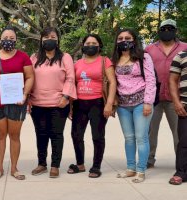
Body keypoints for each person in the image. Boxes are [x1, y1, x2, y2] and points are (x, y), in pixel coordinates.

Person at [0, 27, 34, 180]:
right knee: (0, 135)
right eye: (5, 37)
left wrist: (25, 94)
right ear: (0, 40)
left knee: (14, 136)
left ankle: (14, 168)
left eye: (12, 38)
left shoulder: (23, 57)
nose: (8, 40)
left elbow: (30, 77)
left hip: (17, 102)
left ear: (16, 40)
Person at [29, 27, 76, 178]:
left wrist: (66, 96)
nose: (49, 39)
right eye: (46, 37)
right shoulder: (34, 57)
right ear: (41, 40)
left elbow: (70, 78)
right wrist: (28, 98)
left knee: (56, 135)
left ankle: (55, 165)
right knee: (41, 134)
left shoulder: (65, 57)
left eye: (53, 36)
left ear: (57, 40)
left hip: (59, 103)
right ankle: (41, 163)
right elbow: (28, 78)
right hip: (37, 103)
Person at [67, 34, 117, 178]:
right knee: (76, 135)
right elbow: (73, 84)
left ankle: (96, 166)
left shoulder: (104, 61)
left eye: (93, 43)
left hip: (98, 103)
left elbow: (112, 82)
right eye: (87, 43)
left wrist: (109, 103)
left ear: (99, 45)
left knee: (97, 136)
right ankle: (80, 164)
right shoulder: (77, 64)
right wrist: (70, 105)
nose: (90, 45)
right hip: (79, 103)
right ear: (83, 45)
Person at [113, 28, 156, 183]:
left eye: (128, 38)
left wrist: (148, 102)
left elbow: (151, 80)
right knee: (129, 138)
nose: (124, 40)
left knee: (141, 137)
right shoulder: (115, 59)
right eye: (120, 38)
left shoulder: (143, 57)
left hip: (141, 102)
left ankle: (141, 170)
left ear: (134, 40)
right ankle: (130, 168)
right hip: (123, 105)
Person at [145, 19, 187, 168]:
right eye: (164, 28)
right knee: (150, 132)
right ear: (159, 30)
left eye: (170, 28)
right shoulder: (149, 49)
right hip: (154, 97)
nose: (167, 31)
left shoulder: (185, 48)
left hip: (176, 97)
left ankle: (181, 162)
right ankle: (148, 160)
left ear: (176, 30)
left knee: (179, 133)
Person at [169, 50, 187, 185]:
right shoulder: (181, 56)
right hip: (185, 105)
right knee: (184, 141)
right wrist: (176, 102)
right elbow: (173, 80)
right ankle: (181, 172)